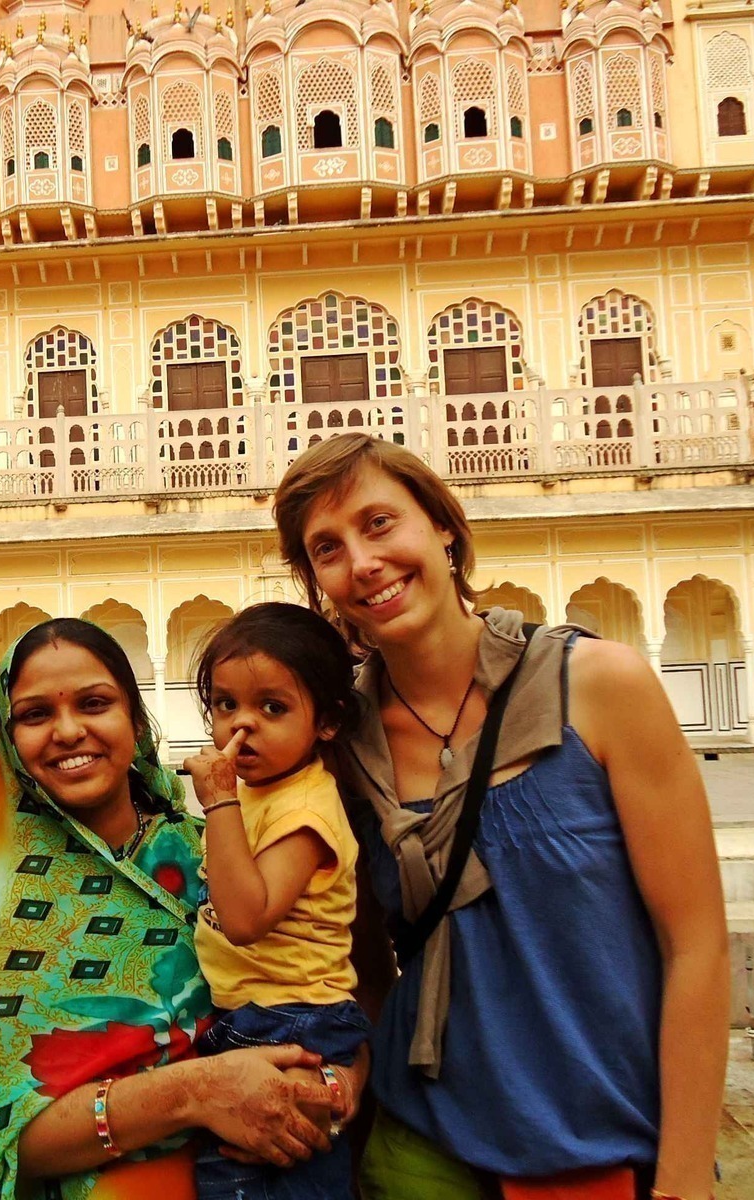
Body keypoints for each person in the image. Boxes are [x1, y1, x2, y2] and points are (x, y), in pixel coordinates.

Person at [273, 433, 729, 1200]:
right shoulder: (341, 742)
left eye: (379, 523)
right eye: (328, 548)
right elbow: (358, 961)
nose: (362, 563)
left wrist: (684, 1174)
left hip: (601, 1131)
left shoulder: (596, 688)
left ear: (443, 527)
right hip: (425, 1139)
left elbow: (698, 944)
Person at [0, 617, 347, 1200]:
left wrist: (330, 1089)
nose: (69, 731)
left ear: (135, 721)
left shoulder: (214, 853)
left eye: (95, 703)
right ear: (6, 737)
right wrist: (196, 1091)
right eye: (36, 714)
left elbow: (330, 992)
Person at [182, 602, 368, 1200]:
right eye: (225, 705)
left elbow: (244, 919)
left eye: (273, 708)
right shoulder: (262, 795)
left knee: (253, 1180)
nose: (241, 727)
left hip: (293, 1023)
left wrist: (217, 802)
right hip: (258, 1016)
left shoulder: (305, 810)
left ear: (328, 722)